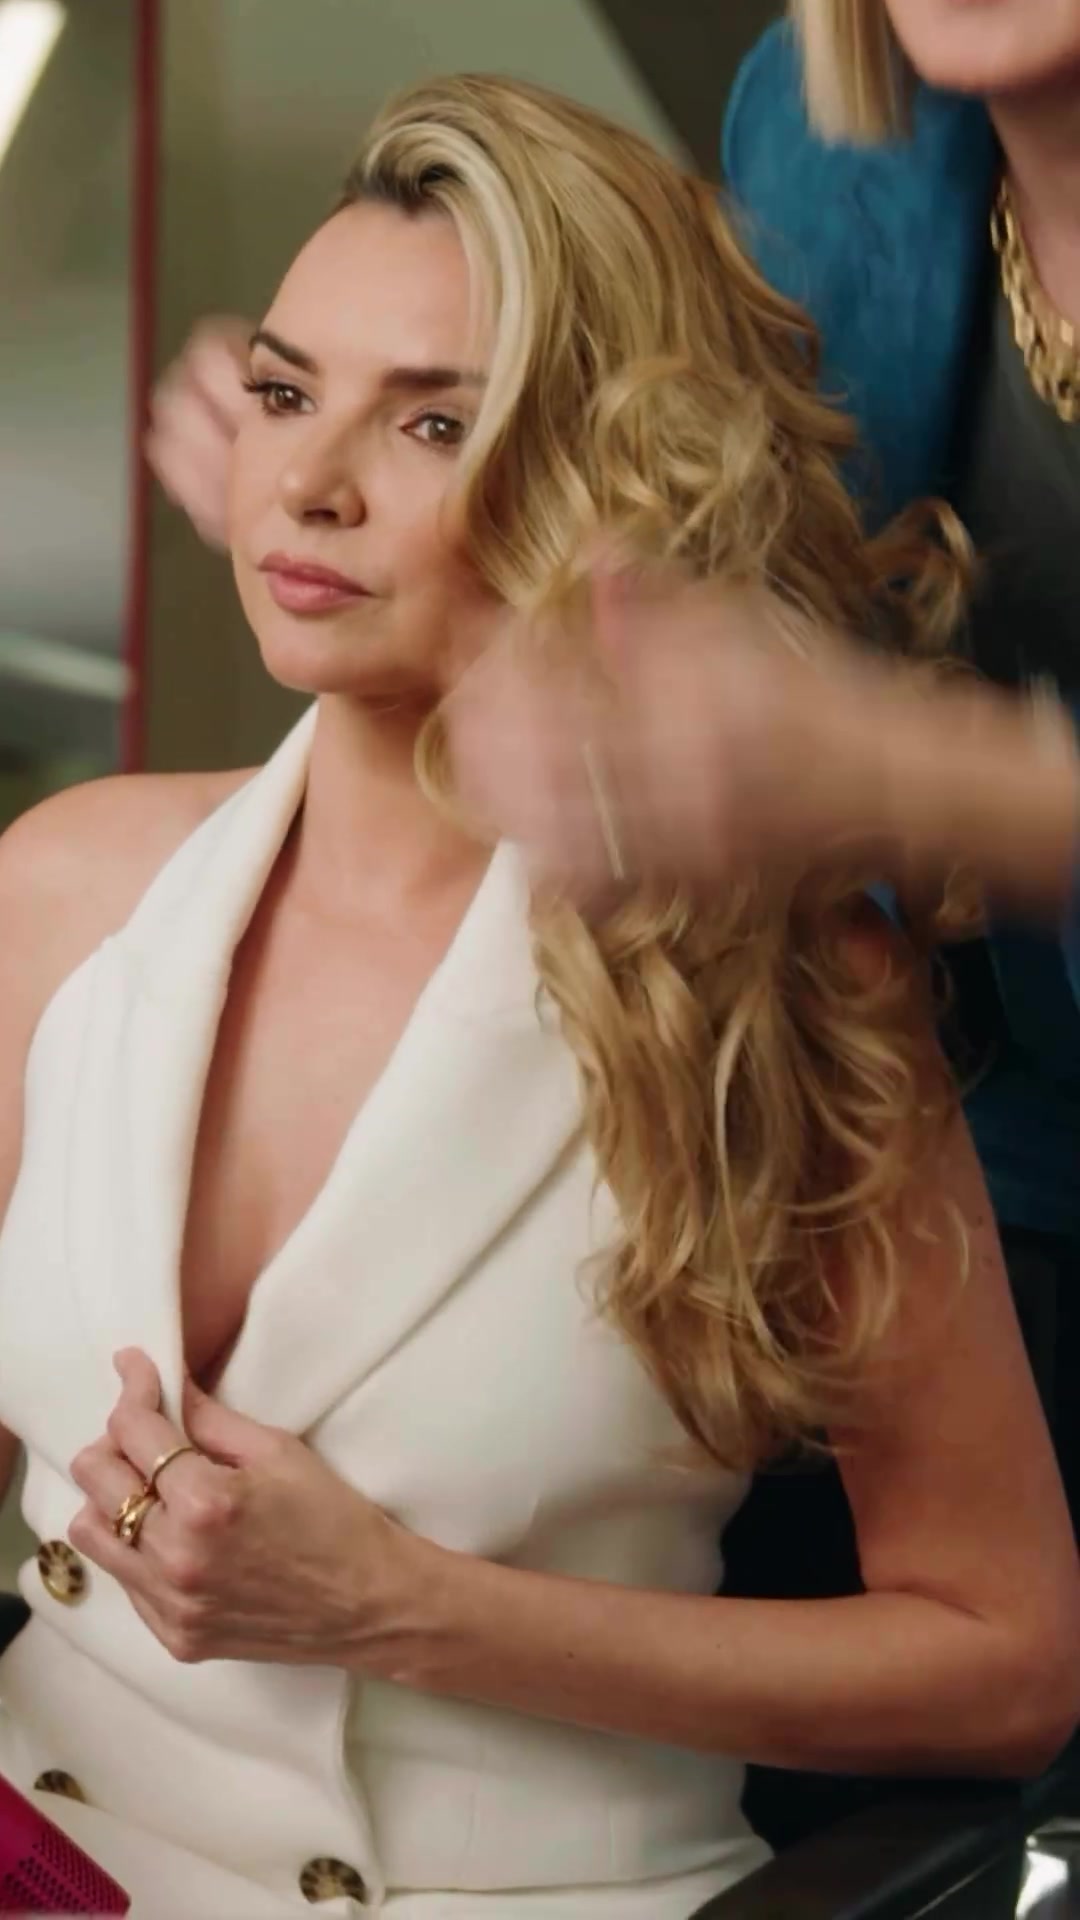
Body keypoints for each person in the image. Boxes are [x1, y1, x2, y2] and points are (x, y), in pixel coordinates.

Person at [4, 72, 1077, 1919]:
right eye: (285, 395)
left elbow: (1008, 1669)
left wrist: (403, 1610)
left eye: (434, 422)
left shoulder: (777, 1003)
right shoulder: (67, 884)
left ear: (603, 482)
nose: (311, 484)